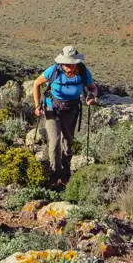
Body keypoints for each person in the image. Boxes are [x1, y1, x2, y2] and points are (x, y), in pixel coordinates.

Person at [32, 46, 97, 183]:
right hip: (52, 108)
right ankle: (55, 173)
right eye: (67, 64)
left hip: (71, 109)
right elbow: (36, 84)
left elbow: (92, 88)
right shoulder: (54, 70)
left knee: (68, 142)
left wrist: (91, 97)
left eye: (72, 64)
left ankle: (65, 168)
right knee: (54, 142)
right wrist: (37, 106)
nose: (70, 67)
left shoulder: (83, 71)